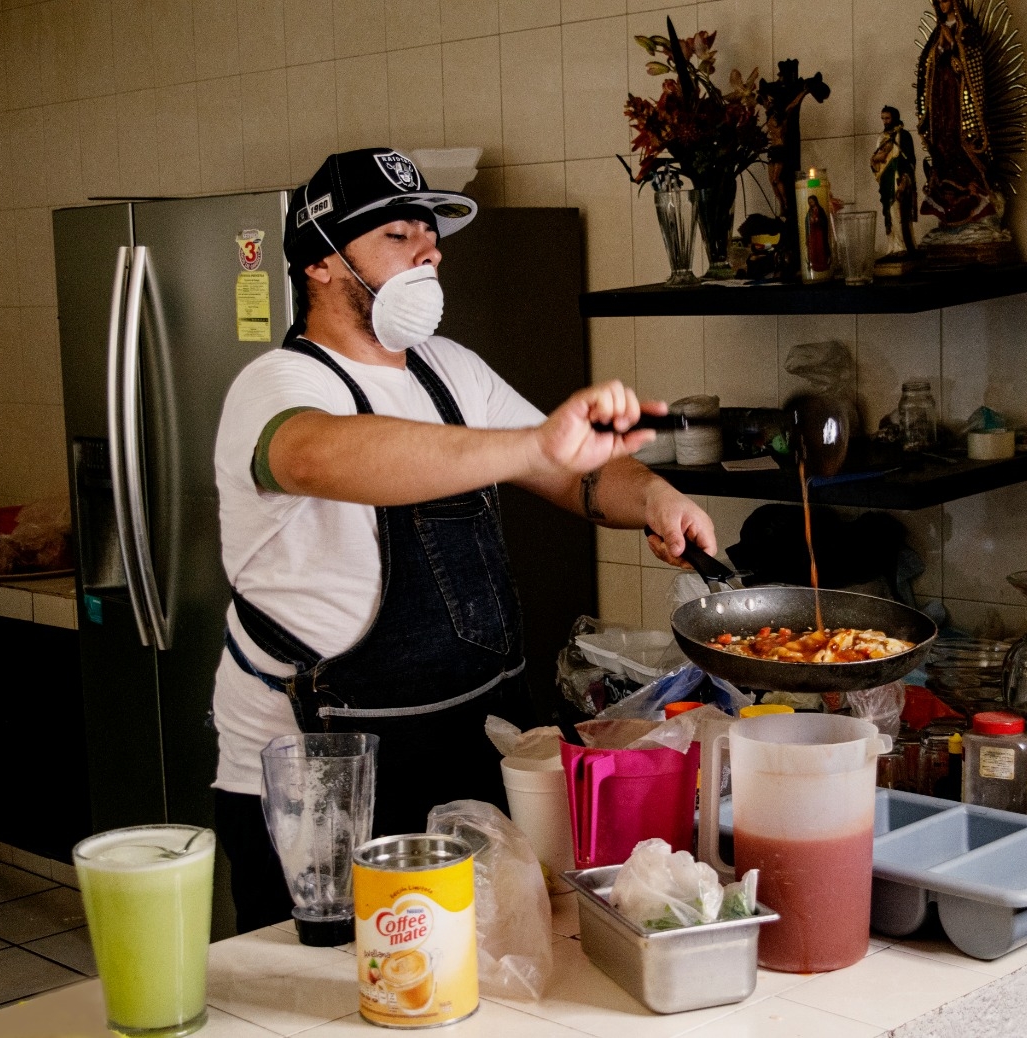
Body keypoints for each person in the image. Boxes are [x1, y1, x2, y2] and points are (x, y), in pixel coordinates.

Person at [211, 147, 716, 933]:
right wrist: (530, 447)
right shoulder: (278, 386)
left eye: (431, 233)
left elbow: (575, 472)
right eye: (399, 235)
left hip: (469, 746)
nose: (430, 250)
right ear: (320, 260)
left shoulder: (451, 371)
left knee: (473, 980)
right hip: (322, 778)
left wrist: (651, 493)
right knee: (326, 995)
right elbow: (320, 454)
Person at [915, 0, 994, 226]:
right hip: (941, 100)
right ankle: (946, 191)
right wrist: (939, 50)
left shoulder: (967, 31)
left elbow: (973, 66)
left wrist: (953, 49)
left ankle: (973, 192)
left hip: (960, 101)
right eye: (939, 1)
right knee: (942, 142)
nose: (942, 4)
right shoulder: (937, 33)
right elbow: (926, 67)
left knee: (962, 143)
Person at [870, 106, 918, 256]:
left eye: (887, 118)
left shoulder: (903, 135)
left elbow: (910, 161)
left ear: (894, 118)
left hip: (898, 179)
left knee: (899, 212)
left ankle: (902, 246)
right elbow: (875, 161)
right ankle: (892, 246)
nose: (885, 122)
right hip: (886, 182)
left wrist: (905, 180)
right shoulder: (881, 138)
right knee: (889, 214)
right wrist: (874, 160)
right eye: (883, 118)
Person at [804, 195, 831, 273]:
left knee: (820, 248)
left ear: (815, 201)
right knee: (814, 248)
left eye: (812, 201)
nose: (810, 203)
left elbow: (824, 221)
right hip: (813, 233)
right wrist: (810, 220)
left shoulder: (820, 210)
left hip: (819, 232)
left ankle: (823, 264)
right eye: (809, 202)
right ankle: (815, 265)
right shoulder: (810, 211)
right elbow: (807, 222)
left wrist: (817, 220)